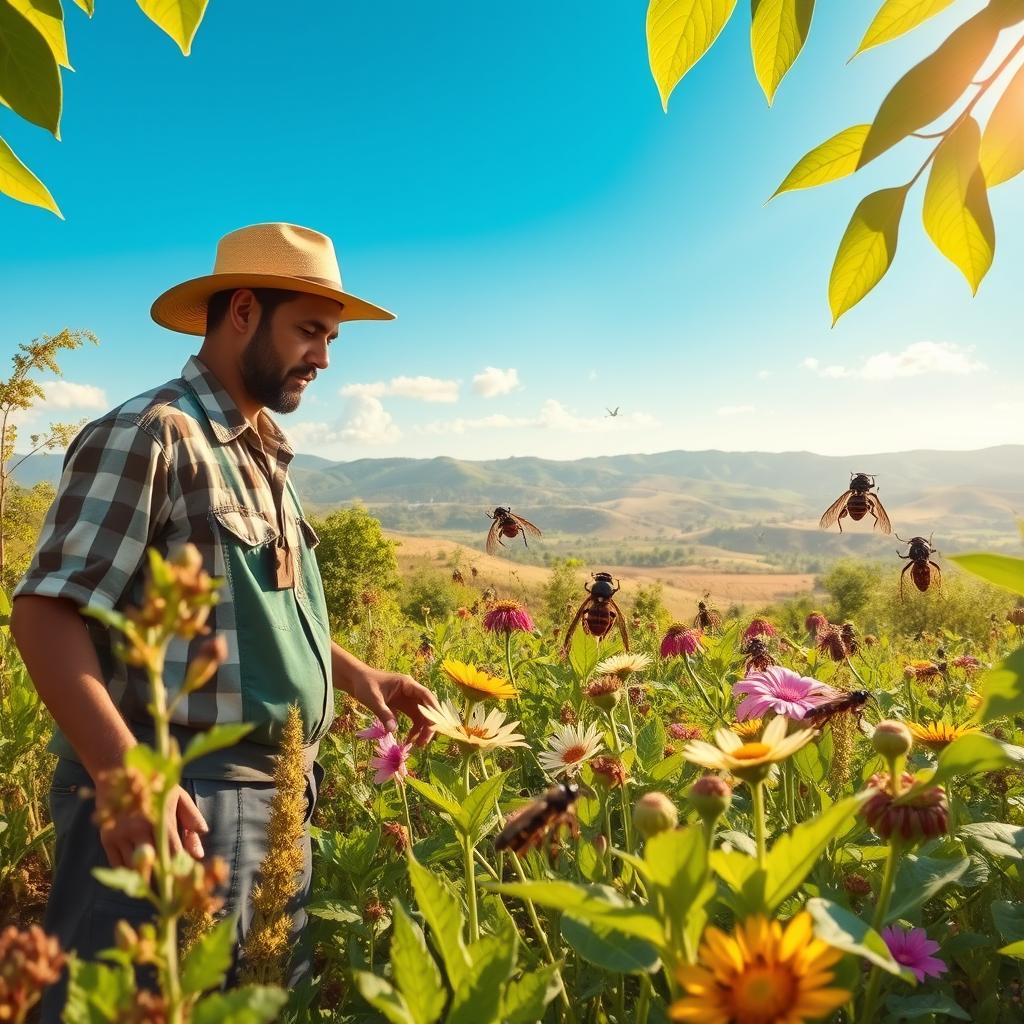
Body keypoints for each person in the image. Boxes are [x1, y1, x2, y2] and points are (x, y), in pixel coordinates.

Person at [10, 222, 440, 1018]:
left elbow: (262, 601)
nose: (325, 357)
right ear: (243, 309)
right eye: (310, 331)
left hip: (275, 800)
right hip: (179, 803)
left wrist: (355, 674)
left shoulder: (257, 451)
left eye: (333, 336)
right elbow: (46, 609)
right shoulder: (153, 433)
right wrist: (122, 772)